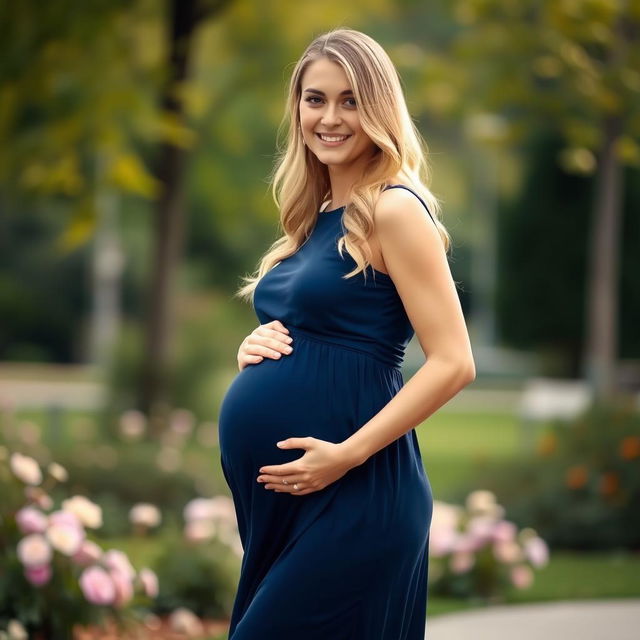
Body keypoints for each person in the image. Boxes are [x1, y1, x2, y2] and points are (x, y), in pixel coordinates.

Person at [217, 27, 475, 639]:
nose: (329, 117)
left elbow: (454, 362)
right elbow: (320, 330)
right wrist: (252, 351)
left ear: (380, 109)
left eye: (351, 100)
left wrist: (346, 456)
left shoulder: (394, 208)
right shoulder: (314, 219)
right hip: (289, 505)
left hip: (357, 497)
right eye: (315, 99)